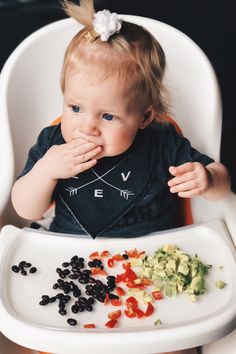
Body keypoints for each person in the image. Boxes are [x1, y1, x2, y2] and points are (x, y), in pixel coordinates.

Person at [11, 1, 230, 353]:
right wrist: (46, 170)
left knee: (165, 339)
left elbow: (222, 184)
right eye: (75, 108)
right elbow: (25, 209)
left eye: (108, 116)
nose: (87, 127)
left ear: (145, 116)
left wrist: (208, 178)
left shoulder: (162, 141)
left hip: (147, 269)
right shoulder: (53, 143)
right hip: (71, 264)